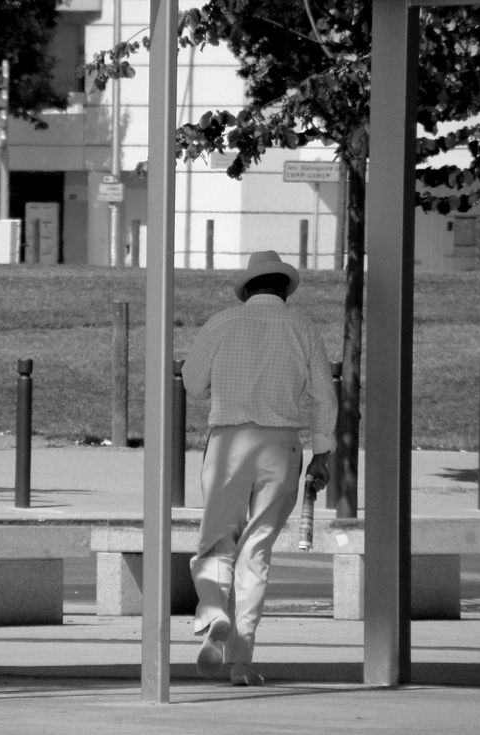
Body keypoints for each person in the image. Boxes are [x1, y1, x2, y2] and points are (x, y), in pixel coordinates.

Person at [181, 249, 337, 687]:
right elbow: (325, 396)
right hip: (282, 447)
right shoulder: (302, 327)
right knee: (258, 549)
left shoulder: (222, 322)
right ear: (285, 290)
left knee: (216, 540)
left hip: (230, 441)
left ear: (247, 289)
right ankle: (241, 662)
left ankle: (213, 611)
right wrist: (321, 453)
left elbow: (192, 383)